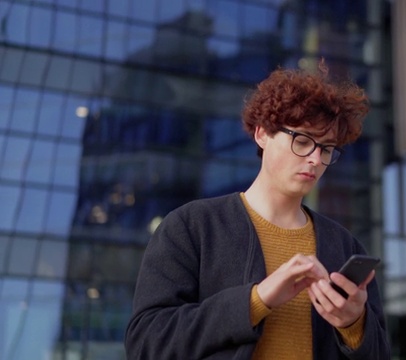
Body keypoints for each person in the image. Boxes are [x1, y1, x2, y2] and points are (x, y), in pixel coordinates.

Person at [124, 60, 390, 359]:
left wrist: (354, 325)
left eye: (326, 149)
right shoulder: (192, 227)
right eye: (302, 141)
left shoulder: (342, 245)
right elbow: (147, 342)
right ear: (262, 133)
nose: (315, 159)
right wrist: (256, 299)